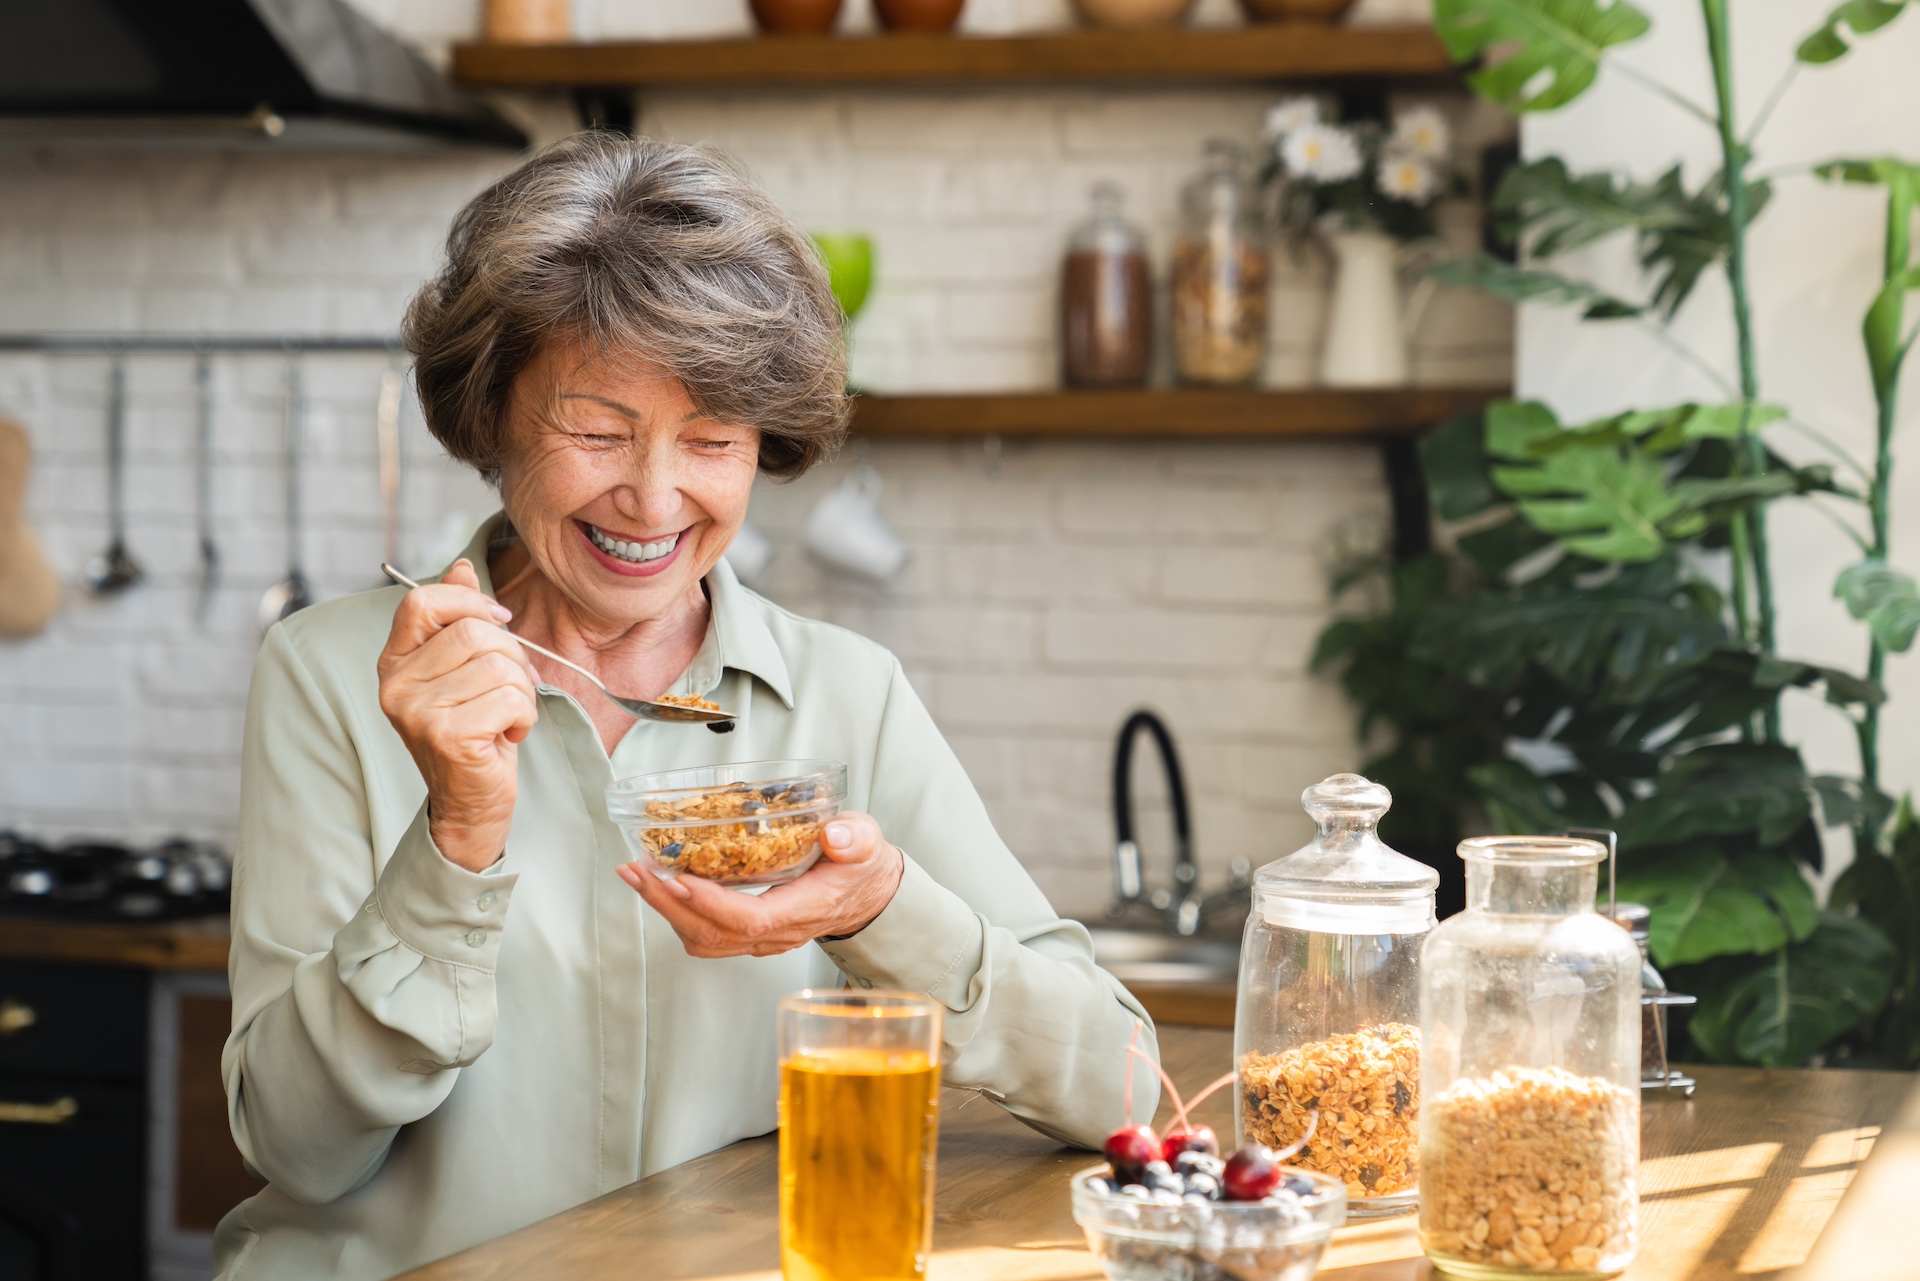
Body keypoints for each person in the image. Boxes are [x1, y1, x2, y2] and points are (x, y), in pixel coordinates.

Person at [217, 133, 1157, 1280]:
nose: (653, 499)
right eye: (599, 432)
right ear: (493, 415)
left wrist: (879, 909)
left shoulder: (844, 694)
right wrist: (456, 839)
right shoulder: (333, 676)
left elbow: (1121, 1085)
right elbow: (298, 1148)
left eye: (710, 440)